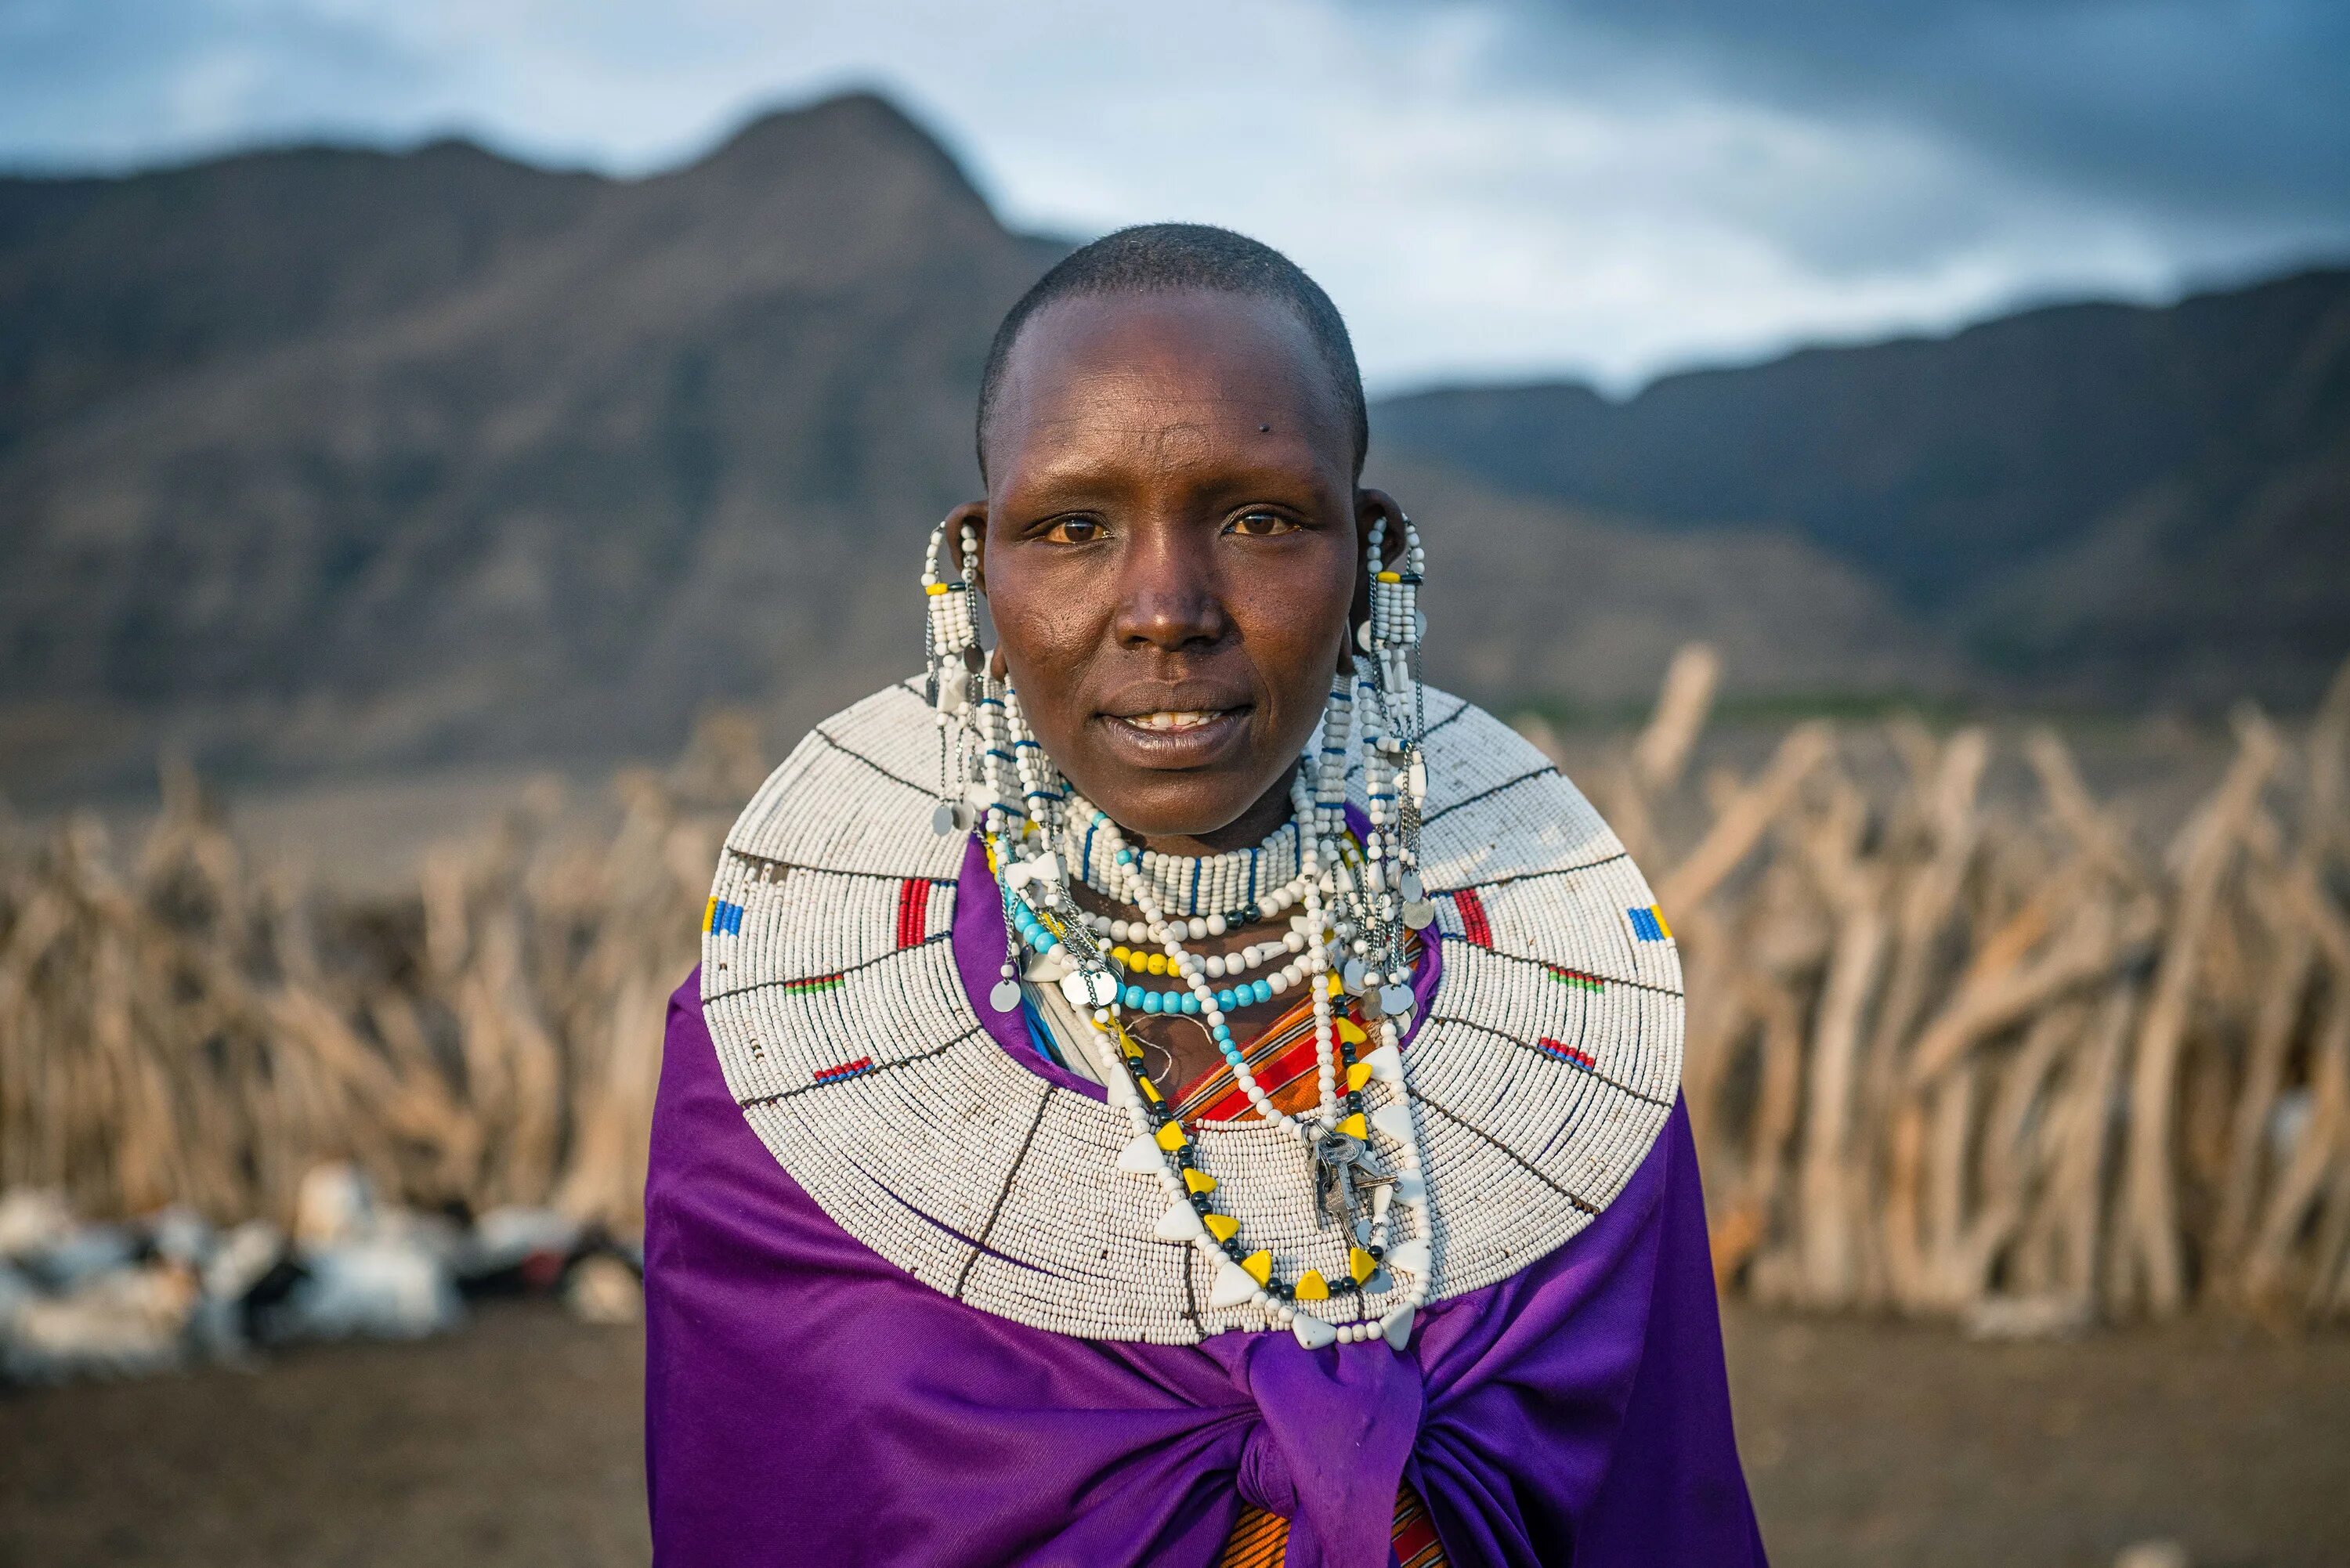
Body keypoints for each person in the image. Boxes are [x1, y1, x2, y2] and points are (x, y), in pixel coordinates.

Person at [645, 224, 1766, 1566]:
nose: (1167, 608)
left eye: (1259, 520)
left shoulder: (1583, 1050)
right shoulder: (769, 1065)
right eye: (1072, 527)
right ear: (976, 568)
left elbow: (1656, 1507)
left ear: (1371, 558)